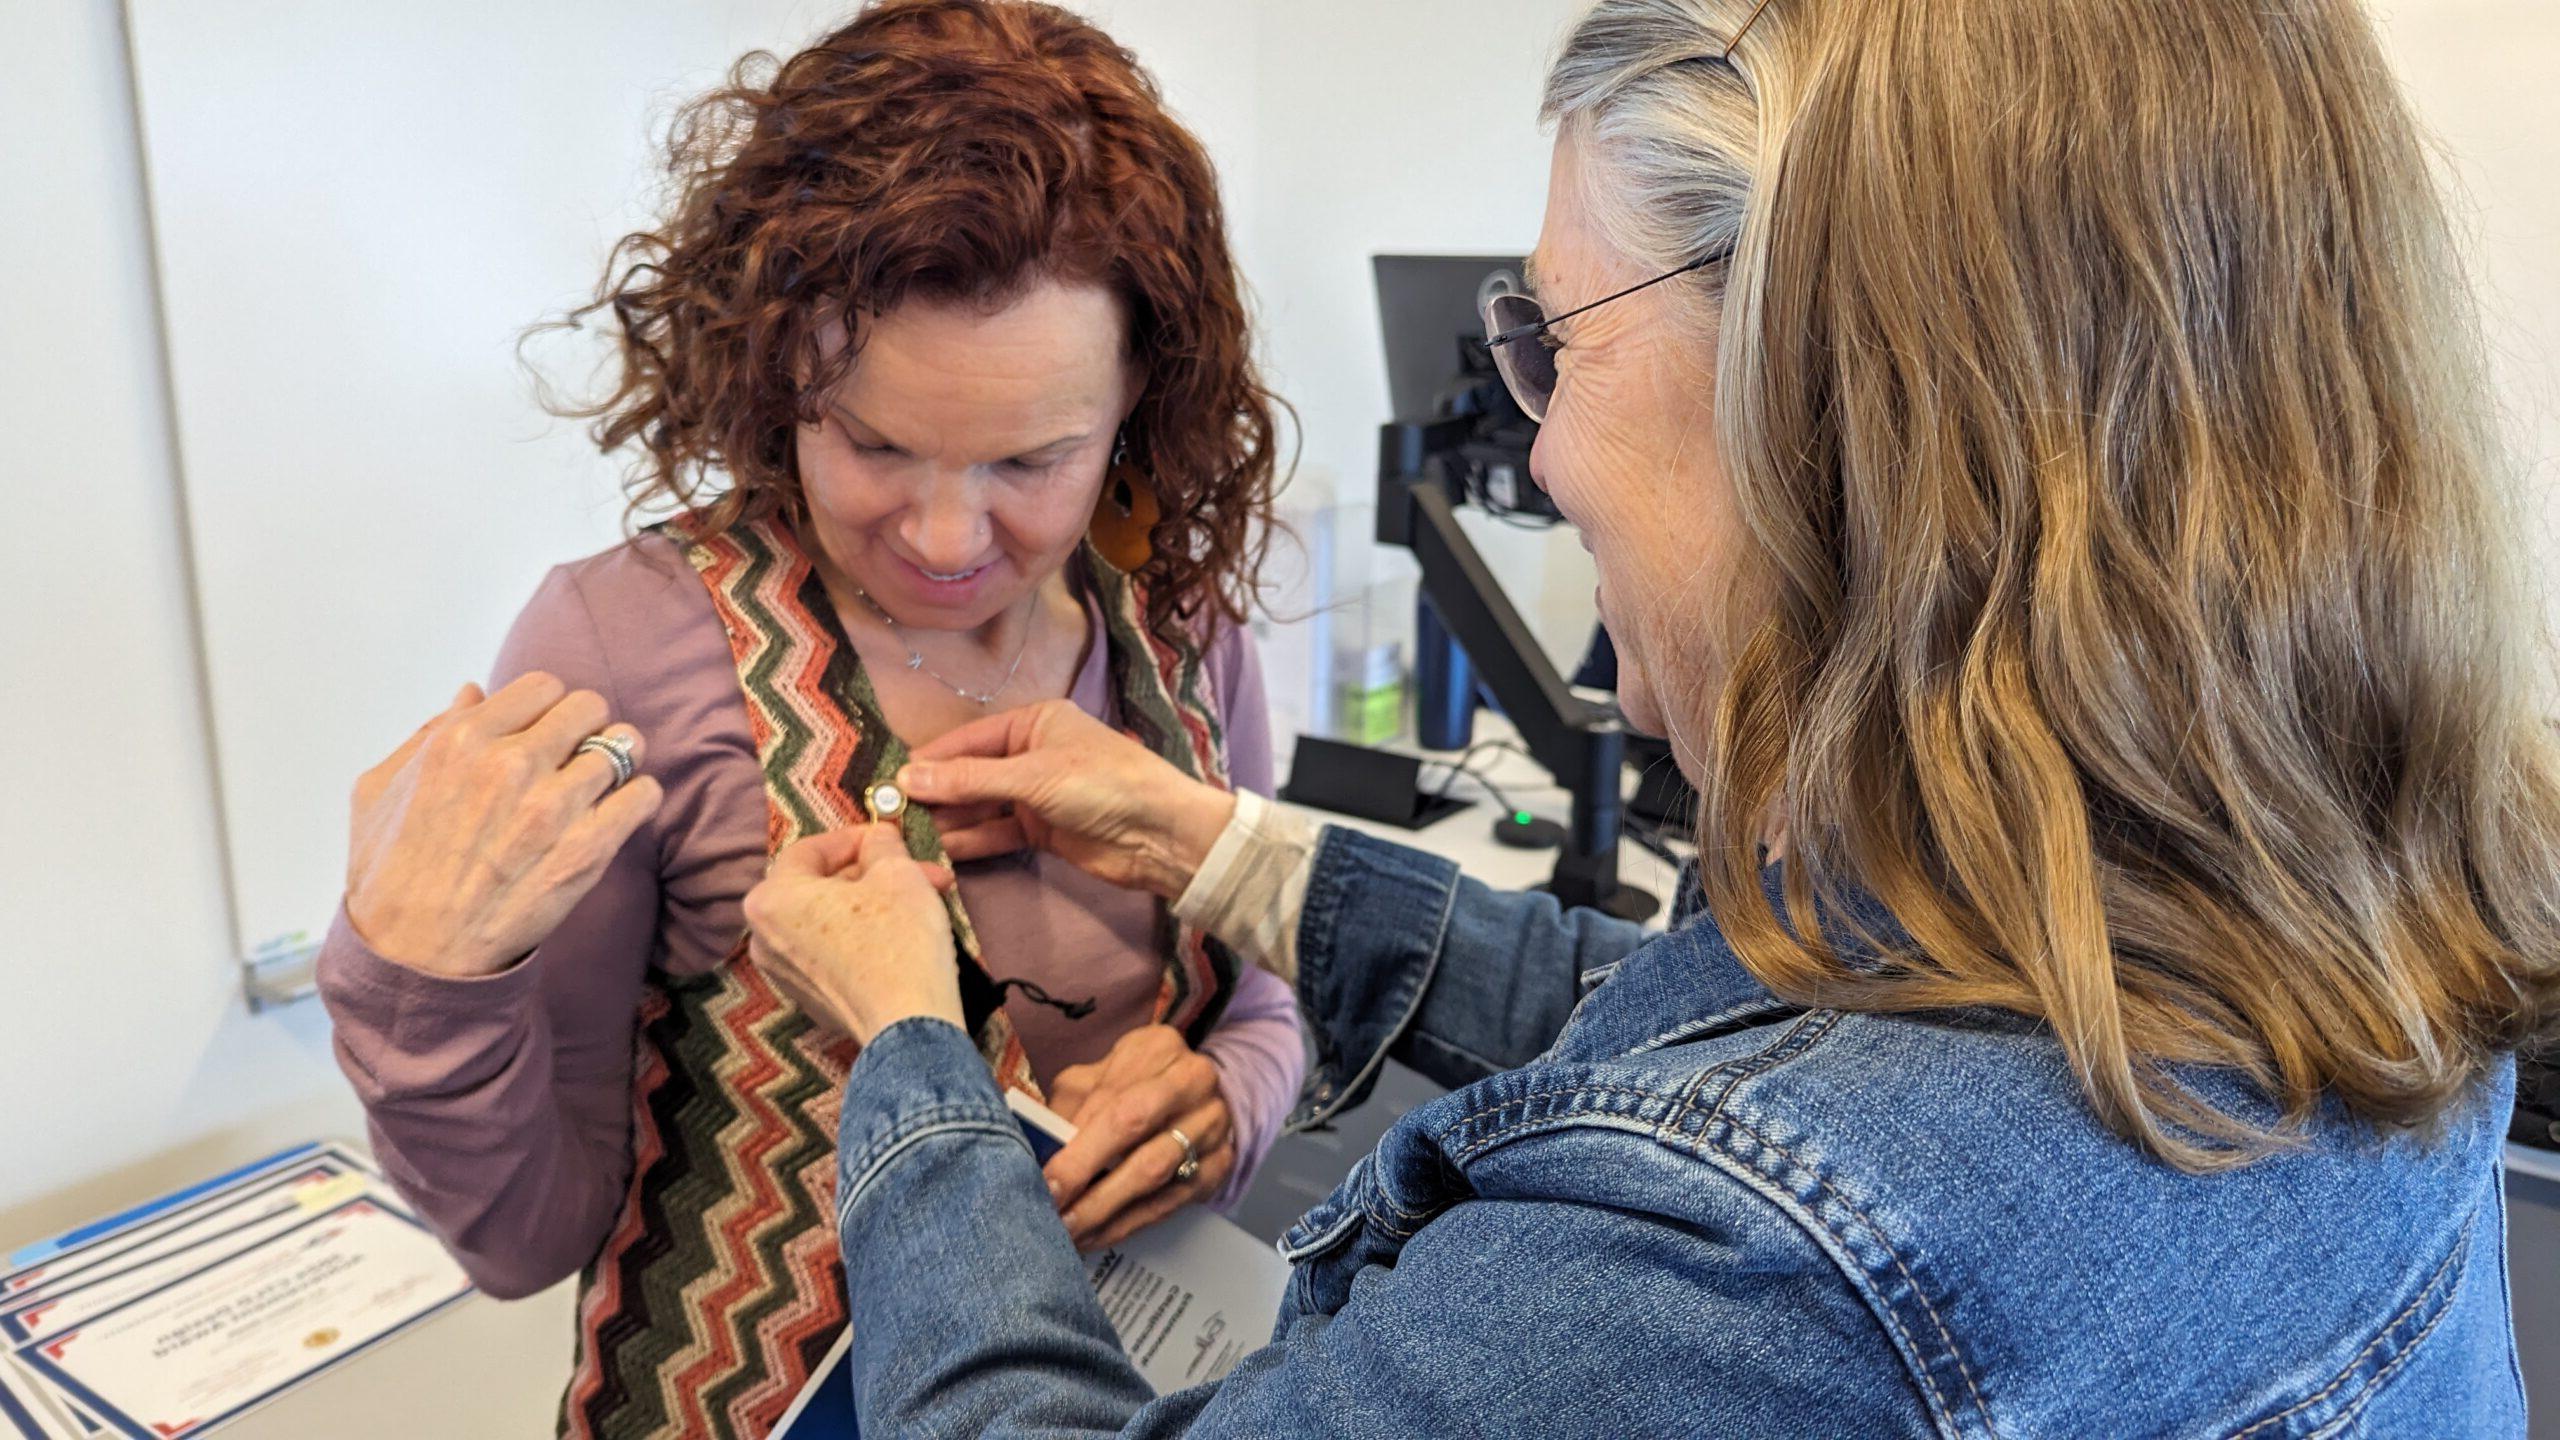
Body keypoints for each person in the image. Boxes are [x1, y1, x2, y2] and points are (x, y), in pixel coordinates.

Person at [741, 0, 2560, 1433]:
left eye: (1559, 334)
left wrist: (917, 1048)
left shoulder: (1750, 1269)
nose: (1530, 441)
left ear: (1835, 415)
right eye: (877, 442)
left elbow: (1717, 1125)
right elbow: (1689, 1024)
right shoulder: (2347, 878)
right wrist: (1220, 847)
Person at [315, 3, 1303, 1435]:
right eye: (875, 443)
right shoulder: (632, 646)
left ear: (1139, 396)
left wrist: (1231, 1099)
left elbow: (1265, 988)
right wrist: (414, 987)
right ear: (778, 370)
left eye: (1035, 457)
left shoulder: (1184, 621)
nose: (952, 535)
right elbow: (527, 1237)